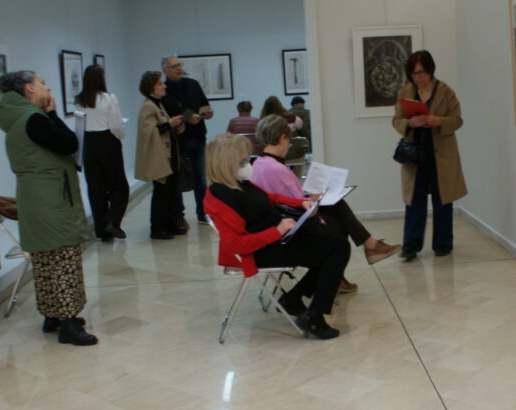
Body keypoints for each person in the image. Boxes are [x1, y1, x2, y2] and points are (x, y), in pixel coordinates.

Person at [204, 133, 349, 339]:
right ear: (226, 165)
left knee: (333, 246)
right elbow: (236, 245)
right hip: (259, 252)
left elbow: (268, 197)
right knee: (337, 248)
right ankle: (313, 316)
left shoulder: (239, 183)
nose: (248, 165)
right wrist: (276, 231)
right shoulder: (221, 197)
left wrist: (300, 202)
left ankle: (295, 299)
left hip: (275, 241)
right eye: (243, 162)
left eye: (248, 160)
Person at [0, 71, 97, 346]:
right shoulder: (34, 119)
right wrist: (52, 114)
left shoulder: (16, 117)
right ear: (29, 88)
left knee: (45, 259)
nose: (47, 87)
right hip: (50, 197)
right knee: (63, 257)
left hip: (36, 197)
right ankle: (68, 323)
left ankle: (52, 316)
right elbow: (69, 144)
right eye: (41, 83)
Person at [250, 115, 400, 293]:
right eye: (289, 140)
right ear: (283, 137)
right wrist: (314, 198)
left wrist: (311, 197)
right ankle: (359, 256)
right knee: (340, 222)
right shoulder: (276, 169)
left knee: (336, 207)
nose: (289, 145)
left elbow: (287, 198)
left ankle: (361, 256)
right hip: (293, 227)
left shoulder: (259, 164)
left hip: (279, 221)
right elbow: (300, 206)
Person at [391, 50, 467, 260]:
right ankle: (411, 245)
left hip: (441, 154)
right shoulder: (406, 91)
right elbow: (396, 120)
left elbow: (457, 120)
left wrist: (439, 121)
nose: (418, 77)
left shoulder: (445, 91)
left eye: (422, 72)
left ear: (431, 70)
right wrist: (410, 123)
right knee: (414, 200)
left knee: (443, 199)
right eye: (414, 73)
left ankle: (443, 244)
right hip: (415, 155)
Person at [74, 64, 129, 241]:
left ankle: (102, 231)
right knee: (119, 186)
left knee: (96, 189)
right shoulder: (108, 98)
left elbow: (79, 125)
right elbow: (116, 125)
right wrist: (121, 135)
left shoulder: (79, 100)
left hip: (88, 144)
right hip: (107, 141)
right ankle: (113, 221)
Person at [161, 56, 213, 227]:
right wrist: (187, 117)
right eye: (174, 66)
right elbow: (168, 114)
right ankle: (179, 215)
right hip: (178, 140)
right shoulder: (164, 90)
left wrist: (208, 113)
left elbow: (204, 105)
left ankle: (203, 213)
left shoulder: (192, 84)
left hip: (198, 136)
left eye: (179, 65)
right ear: (165, 70)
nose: (178, 68)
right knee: (179, 179)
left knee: (201, 178)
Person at [135, 71, 185, 240]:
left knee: (170, 192)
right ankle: (157, 229)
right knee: (162, 194)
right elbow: (149, 132)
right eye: (159, 83)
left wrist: (175, 127)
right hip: (160, 157)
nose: (164, 86)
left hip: (169, 155)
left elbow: (163, 128)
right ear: (151, 87)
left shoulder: (158, 104)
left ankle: (169, 224)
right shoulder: (148, 106)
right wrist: (169, 124)